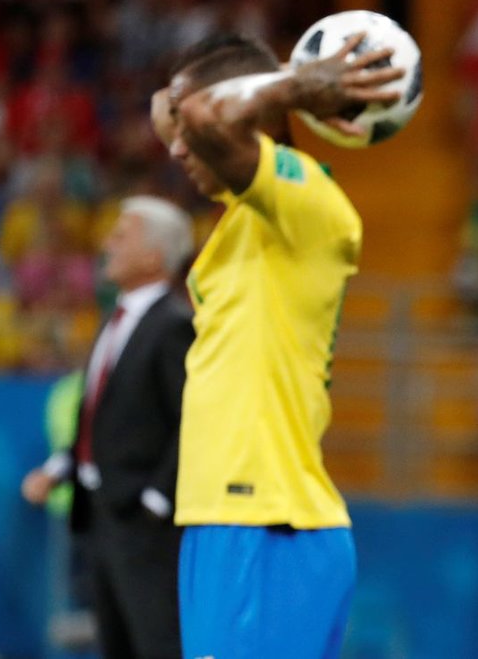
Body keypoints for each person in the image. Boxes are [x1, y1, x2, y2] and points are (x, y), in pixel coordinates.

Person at [151, 33, 403, 657]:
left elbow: (206, 117)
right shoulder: (251, 211)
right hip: (226, 517)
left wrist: (292, 84)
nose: (175, 144)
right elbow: (171, 107)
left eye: (190, 126)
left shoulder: (307, 202)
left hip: (267, 523)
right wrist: (218, 90)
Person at [21, 195, 195, 659]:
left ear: (154, 256)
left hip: (144, 528)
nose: (107, 245)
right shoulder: (115, 319)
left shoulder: (174, 325)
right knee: (114, 645)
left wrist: (155, 501)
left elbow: (193, 421)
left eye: (121, 237)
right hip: (101, 518)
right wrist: (60, 468)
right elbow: (96, 421)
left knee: (158, 643)